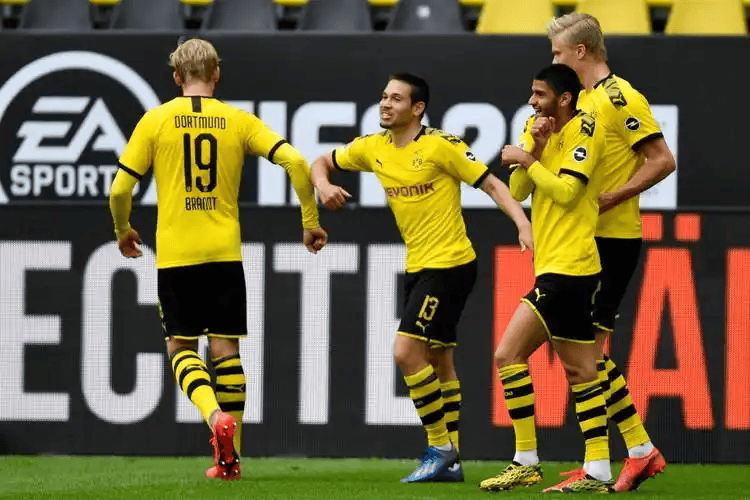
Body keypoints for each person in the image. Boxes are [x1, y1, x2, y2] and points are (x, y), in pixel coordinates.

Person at [108, 38, 328, 480]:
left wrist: (123, 230)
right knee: (226, 351)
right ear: (216, 74)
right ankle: (230, 460)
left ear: (176, 76)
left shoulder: (156, 120)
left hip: (178, 255)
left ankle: (214, 418)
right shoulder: (238, 120)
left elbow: (119, 190)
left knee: (180, 348)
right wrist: (309, 221)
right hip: (225, 254)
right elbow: (295, 162)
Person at [311, 72, 533, 483]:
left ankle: (440, 448)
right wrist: (323, 185)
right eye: (384, 96)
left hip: (449, 266)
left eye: (396, 98)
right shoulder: (373, 147)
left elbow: (492, 185)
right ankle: (454, 461)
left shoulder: (441, 146)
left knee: (405, 351)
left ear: (417, 109)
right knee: (439, 358)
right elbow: (320, 161)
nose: (385, 104)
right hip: (419, 266)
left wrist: (523, 224)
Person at [547, 13, 676, 492]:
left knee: (582, 353)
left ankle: (608, 461)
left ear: (581, 51)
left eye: (558, 53)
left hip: (612, 241)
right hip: (584, 240)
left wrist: (612, 197)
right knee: (583, 353)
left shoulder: (620, 97)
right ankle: (636, 451)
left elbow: (662, 159)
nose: (553, 61)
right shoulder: (580, 101)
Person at [479, 64, 612, 493]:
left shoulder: (587, 130)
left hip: (569, 267)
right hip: (558, 265)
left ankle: (526, 460)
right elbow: (519, 191)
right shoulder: (535, 126)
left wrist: (528, 160)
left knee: (507, 355)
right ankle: (598, 470)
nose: (533, 101)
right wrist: (534, 147)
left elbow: (569, 194)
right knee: (581, 370)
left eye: (540, 94)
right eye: (532, 93)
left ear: (565, 98)